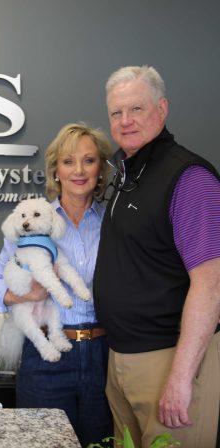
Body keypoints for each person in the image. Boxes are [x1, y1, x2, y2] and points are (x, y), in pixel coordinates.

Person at [93, 65, 220, 448]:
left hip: (169, 361)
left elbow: (211, 284)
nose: (125, 121)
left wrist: (181, 378)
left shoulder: (189, 177)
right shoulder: (127, 175)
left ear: (161, 109)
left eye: (137, 109)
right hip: (122, 360)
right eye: (117, 112)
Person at [0, 123, 114, 447]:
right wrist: (23, 294)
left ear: (100, 169)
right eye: (68, 161)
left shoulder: (115, 221)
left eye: (88, 160)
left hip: (105, 355)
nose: (79, 170)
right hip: (45, 356)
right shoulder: (30, 222)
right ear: (56, 170)